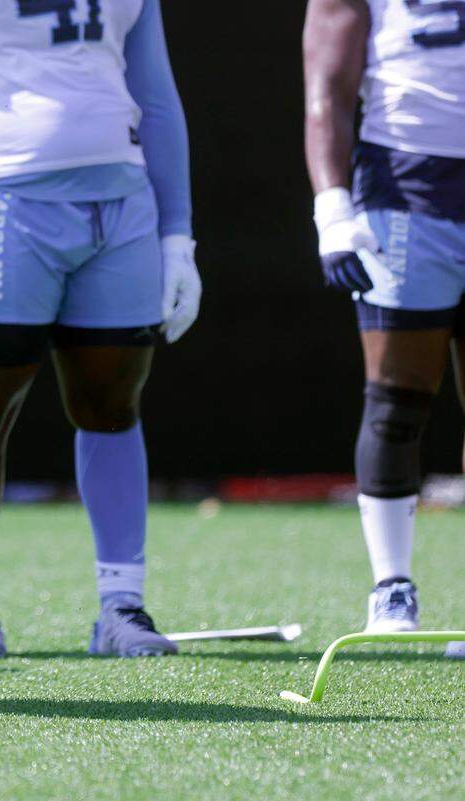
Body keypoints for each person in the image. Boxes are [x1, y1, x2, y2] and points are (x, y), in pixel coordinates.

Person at [0, 0, 201, 658]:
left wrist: (179, 236)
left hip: (120, 201)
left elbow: (159, 97)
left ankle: (122, 605)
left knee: (113, 405)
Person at [303, 0, 464, 658]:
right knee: (398, 396)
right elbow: (328, 83)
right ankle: (391, 585)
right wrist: (332, 207)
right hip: (406, 182)